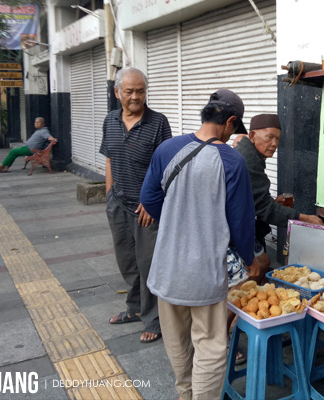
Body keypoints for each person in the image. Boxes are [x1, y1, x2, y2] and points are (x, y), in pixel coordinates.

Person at [140, 89, 255, 400]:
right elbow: (242, 223)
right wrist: (249, 258)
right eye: (235, 128)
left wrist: (179, 221)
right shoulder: (232, 161)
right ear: (229, 121)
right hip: (205, 273)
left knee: (177, 339)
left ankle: (184, 393)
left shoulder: (167, 149)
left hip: (166, 269)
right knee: (210, 343)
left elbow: (148, 199)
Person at [100, 67, 172, 343]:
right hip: (118, 204)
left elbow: (168, 166)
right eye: (129, 91)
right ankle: (134, 308)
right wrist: (109, 195)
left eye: (140, 91)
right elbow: (109, 158)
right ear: (117, 92)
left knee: (148, 263)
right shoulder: (110, 120)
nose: (135, 97)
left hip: (147, 208)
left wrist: (152, 201)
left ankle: (154, 319)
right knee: (127, 261)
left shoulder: (158, 122)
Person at [234, 113, 323, 282]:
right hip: (232, 227)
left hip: (241, 223)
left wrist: (273, 203)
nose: (274, 144)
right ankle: (243, 302)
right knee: (260, 265)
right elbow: (265, 209)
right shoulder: (248, 160)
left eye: (277, 139)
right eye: (269, 137)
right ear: (252, 136)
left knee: (263, 262)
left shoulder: (251, 154)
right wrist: (304, 218)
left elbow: (256, 201)